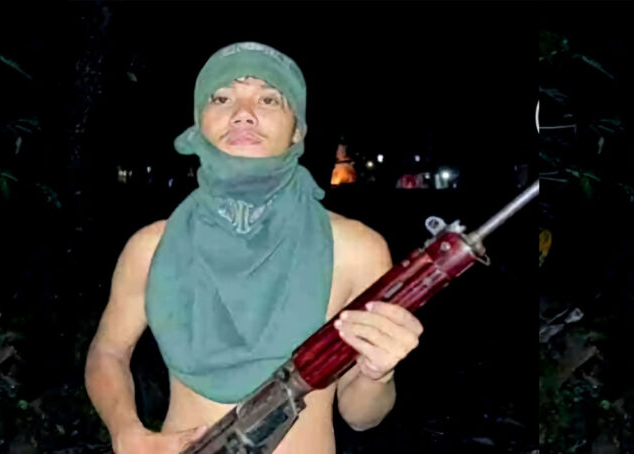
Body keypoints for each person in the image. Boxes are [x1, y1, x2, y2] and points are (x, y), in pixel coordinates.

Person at [84, 42, 424, 454]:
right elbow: (108, 352)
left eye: (268, 99)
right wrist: (125, 430)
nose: (243, 113)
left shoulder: (356, 250)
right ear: (199, 121)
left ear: (297, 129)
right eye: (222, 98)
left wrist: (378, 373)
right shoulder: (151, 248)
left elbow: (361, 415)